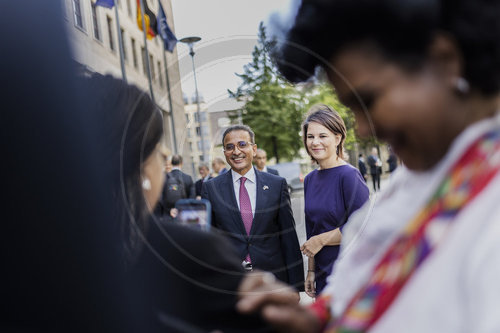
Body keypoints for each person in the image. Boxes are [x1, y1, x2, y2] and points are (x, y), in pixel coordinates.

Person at [237, 0, 500, 332]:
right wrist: (309, 321)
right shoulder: (416, 181)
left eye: (369, 99)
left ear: (445, 61)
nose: (363, 128)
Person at [84, 74, 271, 333]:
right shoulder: (191, 252)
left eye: (242, 145)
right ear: (140, 168)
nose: (164, 155)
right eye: (157, 146)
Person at [202, 125, 304, 290]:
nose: (236, 151)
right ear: (225, 153)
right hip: (232, 282)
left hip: (273, 279)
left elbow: (288, 237)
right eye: (229, 147)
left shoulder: (277, 185)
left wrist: (295, 286)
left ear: (254, 149)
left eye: (242, 144)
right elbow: (210, 241)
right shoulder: (211, 188)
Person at [300, 104, 369, 297]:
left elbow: (364, 226)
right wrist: (311, 271)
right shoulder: (310, 179)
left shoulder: (348, 175)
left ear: (337, 138)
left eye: (323, 136)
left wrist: (321, 240)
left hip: (349, 273)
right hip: (322, 274)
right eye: (310, 136)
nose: (315, 142)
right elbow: (311, 228)